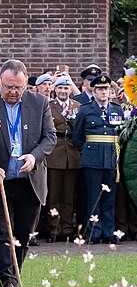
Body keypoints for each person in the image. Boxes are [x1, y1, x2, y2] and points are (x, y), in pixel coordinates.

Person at [0, 59, 56, 287]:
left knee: (23, 233)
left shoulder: (39, 102)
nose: (13, 92)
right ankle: (7, 283)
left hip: (28, 180)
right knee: (1, 231)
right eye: (8, 86)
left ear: (25, 85)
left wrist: (34, 157)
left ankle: (14, 273)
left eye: (18, 87)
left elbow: (50, 137)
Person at [72, 74, 123, 244]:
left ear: (110, 91)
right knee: (93, 197)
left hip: (111, 159)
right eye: (100, 89)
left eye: (106, 89)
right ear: (93, 92)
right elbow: (77, 137)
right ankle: (94, 232)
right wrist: (88, 151)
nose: (103, 92)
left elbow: (121, 135)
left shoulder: (117, 110)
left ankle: (108, 232)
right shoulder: (85, 110)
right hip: (92, 160)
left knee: (109, 198)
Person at [46, 76, 81, 241]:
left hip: (72, 152)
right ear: (55, 89)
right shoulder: (48, 106)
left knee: (68, 195)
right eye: (60, 88)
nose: (63, 91)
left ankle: (66, 229)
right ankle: (54, 229)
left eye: (66, 88)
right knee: (53, 195)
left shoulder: (77, 106)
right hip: (54, 152)